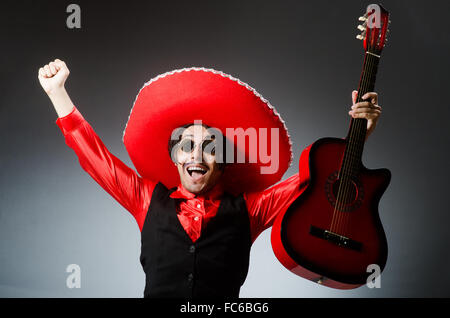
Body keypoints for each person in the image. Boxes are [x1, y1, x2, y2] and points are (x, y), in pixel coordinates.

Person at [38, 59, 382, 298]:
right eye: (187, 146)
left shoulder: (250, 209)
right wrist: (57, 93)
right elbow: (94, 158)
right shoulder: (145, 198)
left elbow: (315, 181)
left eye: (210, 148)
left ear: (224, 164)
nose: (196, 155)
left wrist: (357, 134)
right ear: (175, 157)